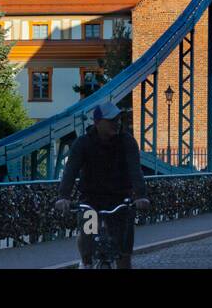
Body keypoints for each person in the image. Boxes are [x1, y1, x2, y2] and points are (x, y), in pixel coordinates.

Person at [55, 102, 150, 269]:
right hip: (91, 200)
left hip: (120, 199)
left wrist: (141, 195)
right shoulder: (83, 143)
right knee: (88, 233)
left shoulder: (127, 142)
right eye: (111, 120)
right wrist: (64, 197)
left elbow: (135, 170)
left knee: (124, 251)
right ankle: (86, 263)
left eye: (118, 119)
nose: (117, 123)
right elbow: (70, 171)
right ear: (98, 122)